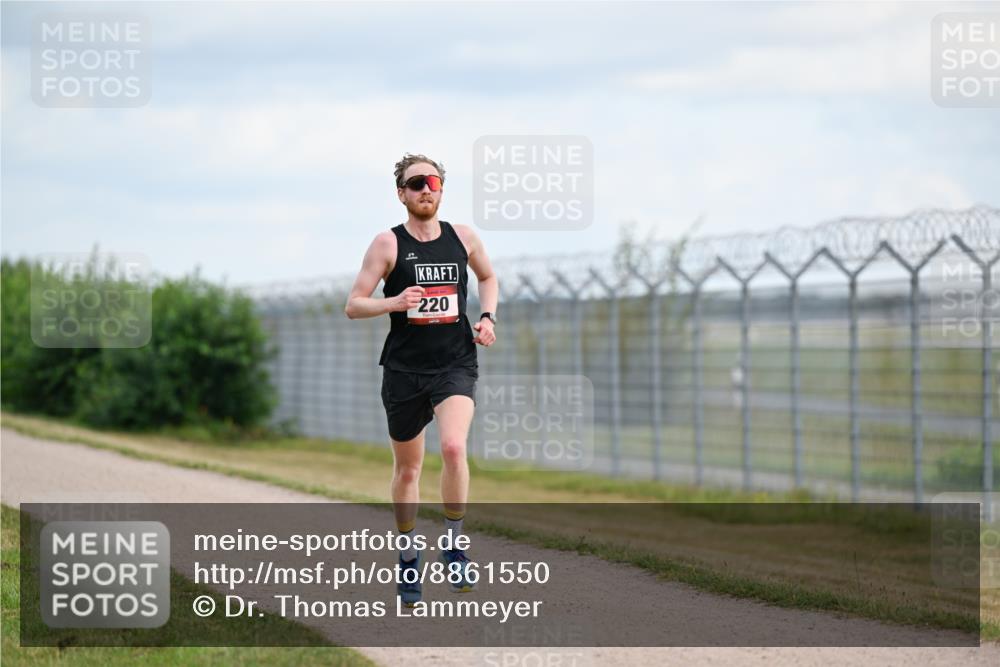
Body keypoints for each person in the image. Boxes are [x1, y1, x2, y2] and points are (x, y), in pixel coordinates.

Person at [344, 153, 498, 606]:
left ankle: (453, 543)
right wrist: (393, 303)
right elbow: (354, 304)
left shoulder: (463, 238)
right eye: (415, 184)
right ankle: (409, 551)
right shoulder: (387, 245)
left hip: (455, 363)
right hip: (404, 370)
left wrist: (488, 317)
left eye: (432, 181)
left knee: (453, 447)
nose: (425, 189)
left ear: (442, 189)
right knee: (409, 468)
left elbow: (488, 277)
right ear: (401, 194)